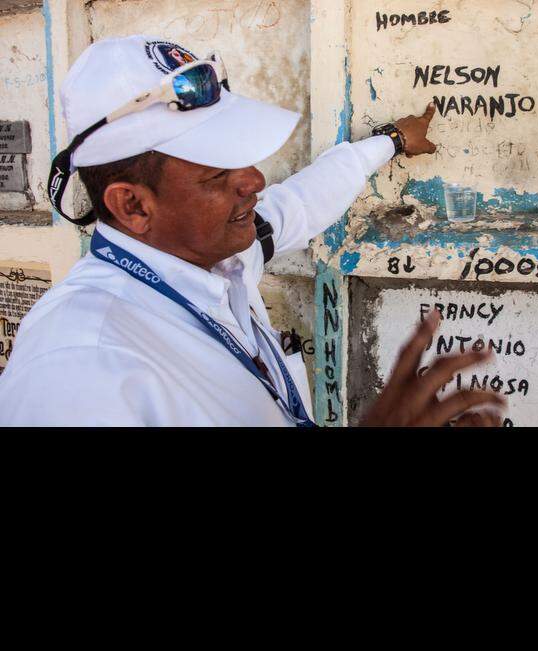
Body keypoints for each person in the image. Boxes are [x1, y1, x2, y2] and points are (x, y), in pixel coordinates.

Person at [0, 35, 504, 427]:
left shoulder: (216, 257)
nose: (255, 180)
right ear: (133, 204)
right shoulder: (78, 366)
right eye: (217, 173)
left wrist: (392, 141)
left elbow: (302, 201)